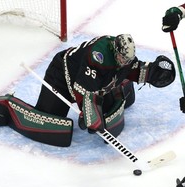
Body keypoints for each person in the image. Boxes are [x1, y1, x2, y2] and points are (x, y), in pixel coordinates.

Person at [34, 34, 176, 136]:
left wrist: (152, 73)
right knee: (52, 117)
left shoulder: (123, 56)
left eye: (128, 60)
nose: (125, 63)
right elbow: (83, 86)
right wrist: (87, 113)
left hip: (90, 79)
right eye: (122, 58)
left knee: (104, 108)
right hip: (61, 76)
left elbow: (131, 68)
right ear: (115, 50)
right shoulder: (98, 57)